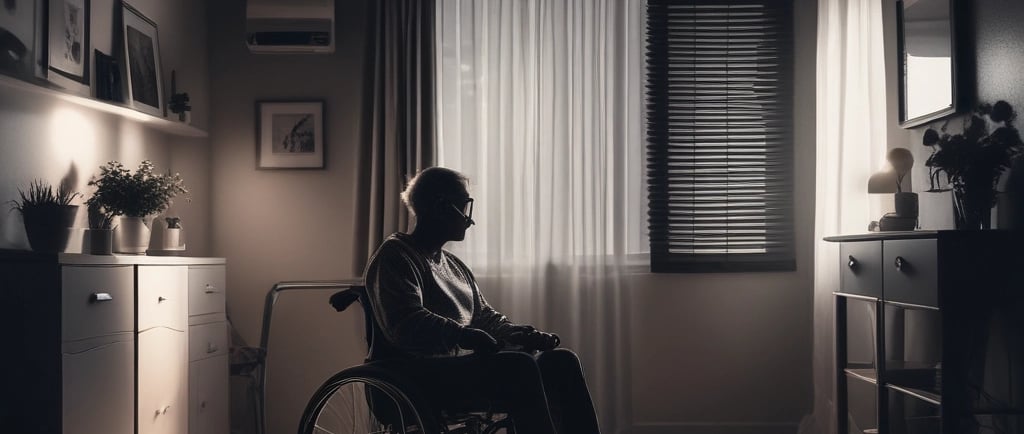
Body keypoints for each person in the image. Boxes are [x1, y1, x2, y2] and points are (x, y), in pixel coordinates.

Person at [363, 167, 601, 434]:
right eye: (464, 207)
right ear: (442, 206)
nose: (469, 220)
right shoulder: (396, 256)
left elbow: (485, 317)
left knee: (562, 361)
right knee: (518, 367)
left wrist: (520, 334)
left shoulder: (454, 266)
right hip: (410, 374)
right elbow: (406, 324)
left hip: (451, 370)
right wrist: (465, 336)